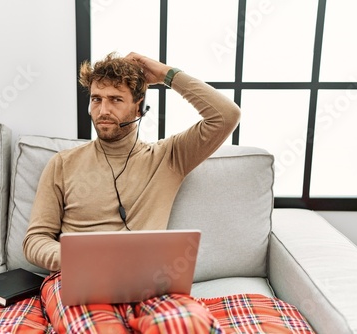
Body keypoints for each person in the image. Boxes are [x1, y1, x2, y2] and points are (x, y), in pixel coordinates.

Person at [23, 51, 241, 333]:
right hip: (78, 278)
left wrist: (165, 75)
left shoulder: (169, 157)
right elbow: (35, 240)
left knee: (187, 324)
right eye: (96, 99)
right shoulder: (63, 164)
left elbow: (226, 116)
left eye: (116, 100)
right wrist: (79, 259)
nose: (103, 110)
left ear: (139, 108)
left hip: (149, 282)